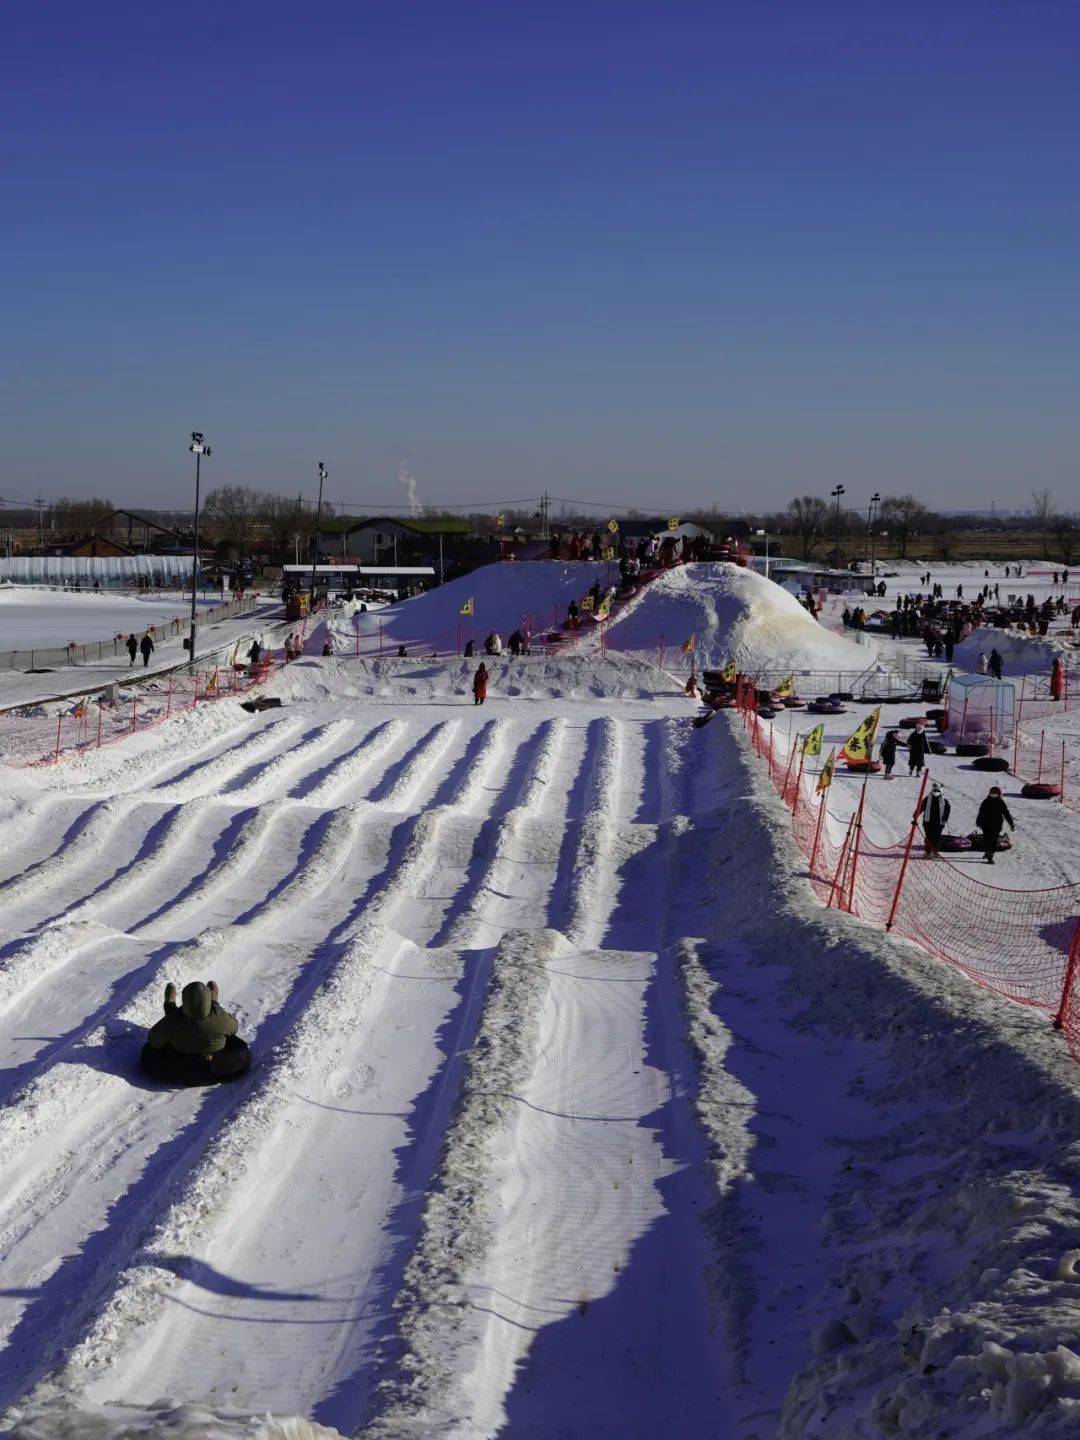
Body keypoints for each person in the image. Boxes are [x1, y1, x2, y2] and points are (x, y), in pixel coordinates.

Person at [143, 979, 249, 1081]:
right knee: (236, 1043)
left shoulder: (175, 1018)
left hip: (181, 1065)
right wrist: (216, 1010)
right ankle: (214, 1002)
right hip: (213, 1066)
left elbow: (154, 1040)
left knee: (149, 1050)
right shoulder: (218, 1016)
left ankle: (169, 1005)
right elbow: (234, 1028)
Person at [975, 786, 1015, 864]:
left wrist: (1011, 823)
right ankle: (987, 852)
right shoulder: (986, 801)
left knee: (993, 841)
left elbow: (1006, 813)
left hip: (996, 825)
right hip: (985, 824)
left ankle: (990, 857)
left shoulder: (1001, 802)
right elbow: (981, 812)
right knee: (987, 840)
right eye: (992, 793)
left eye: (995, 793)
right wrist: (978, 821)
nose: (993, 794)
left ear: (999, 794)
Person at [916, 782, 950, 857]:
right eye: (935, 791)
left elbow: (947, 811)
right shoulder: (927, 799)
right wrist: (916, 815)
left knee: (937, 838)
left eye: (938, 791)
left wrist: (945, 818)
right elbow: (920, 807)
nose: (936, 792)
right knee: (929, 837)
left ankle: (935, 851)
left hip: (939, 823)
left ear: (941, 791)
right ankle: (928, 852)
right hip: (928, 822)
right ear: (932, 790)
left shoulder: (944, 801)